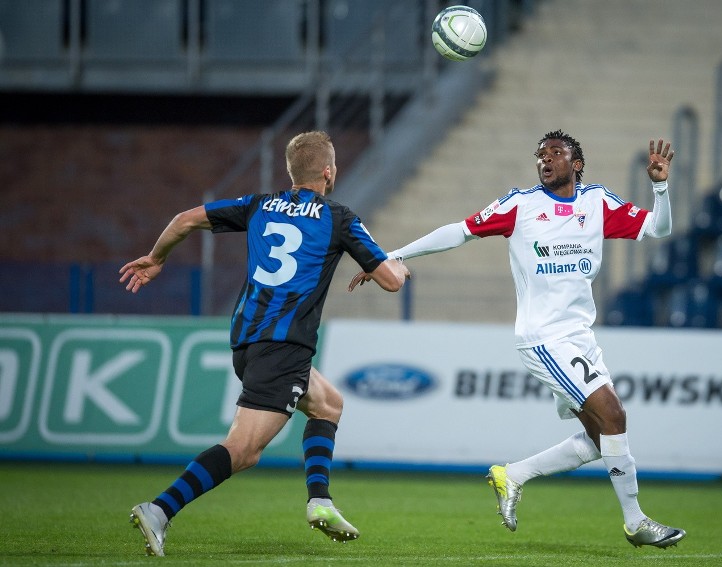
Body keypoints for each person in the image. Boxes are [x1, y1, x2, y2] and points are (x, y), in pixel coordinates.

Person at [349, 131, 686, 548]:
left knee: (604, 439)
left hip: (579, 337)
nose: (545, 161)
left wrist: (660, 186)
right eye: (540, 155)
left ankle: (514, 475)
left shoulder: (597, 202)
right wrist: (389, 256)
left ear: (576, 163)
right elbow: (459, 231)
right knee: (614, 416)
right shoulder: (521, 205)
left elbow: (659, 228)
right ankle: (635, 523)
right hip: (543, 338)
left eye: (556, 154)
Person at [120, 130, 410, 556]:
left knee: (328, 404)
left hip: (248, 340)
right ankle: (160, 509)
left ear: (291, 172)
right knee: (243, 449)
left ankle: (320, 501)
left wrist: (157, 257)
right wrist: (400, 266)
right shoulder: (339, 217)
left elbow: (184, 220)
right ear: (329, 172)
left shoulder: (256, 206)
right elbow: (389, 280)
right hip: (285, 347)